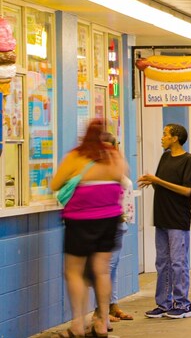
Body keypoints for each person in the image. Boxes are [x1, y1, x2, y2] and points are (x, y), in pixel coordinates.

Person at [52, 120, 128, 338]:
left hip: (80, 219)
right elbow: (122, 179)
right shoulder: (114, 156)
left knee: (74, 271)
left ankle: (77, 325)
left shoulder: (77, 155)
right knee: (101, 270)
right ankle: (102, 323)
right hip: (110, 219)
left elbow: (55, 184)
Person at [138, 123, 191, 319]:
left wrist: (157, 181)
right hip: (162, 217)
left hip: (177, 219)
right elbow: (160, 185)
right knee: (162, 262)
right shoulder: (165, 157)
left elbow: (186, 190)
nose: (162, 137)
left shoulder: (189, 160)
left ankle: (183, 304)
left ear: (175, 138)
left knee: (178, 263)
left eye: (165, 134)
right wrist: (154, 182)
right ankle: (163, 303)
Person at [88, 132, 134, 331]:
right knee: (104, 270)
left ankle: (110, 308)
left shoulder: (117, 165)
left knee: (111, 269)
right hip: (101, 225)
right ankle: (100, 314)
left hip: (118, 224)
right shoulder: (94, 170)